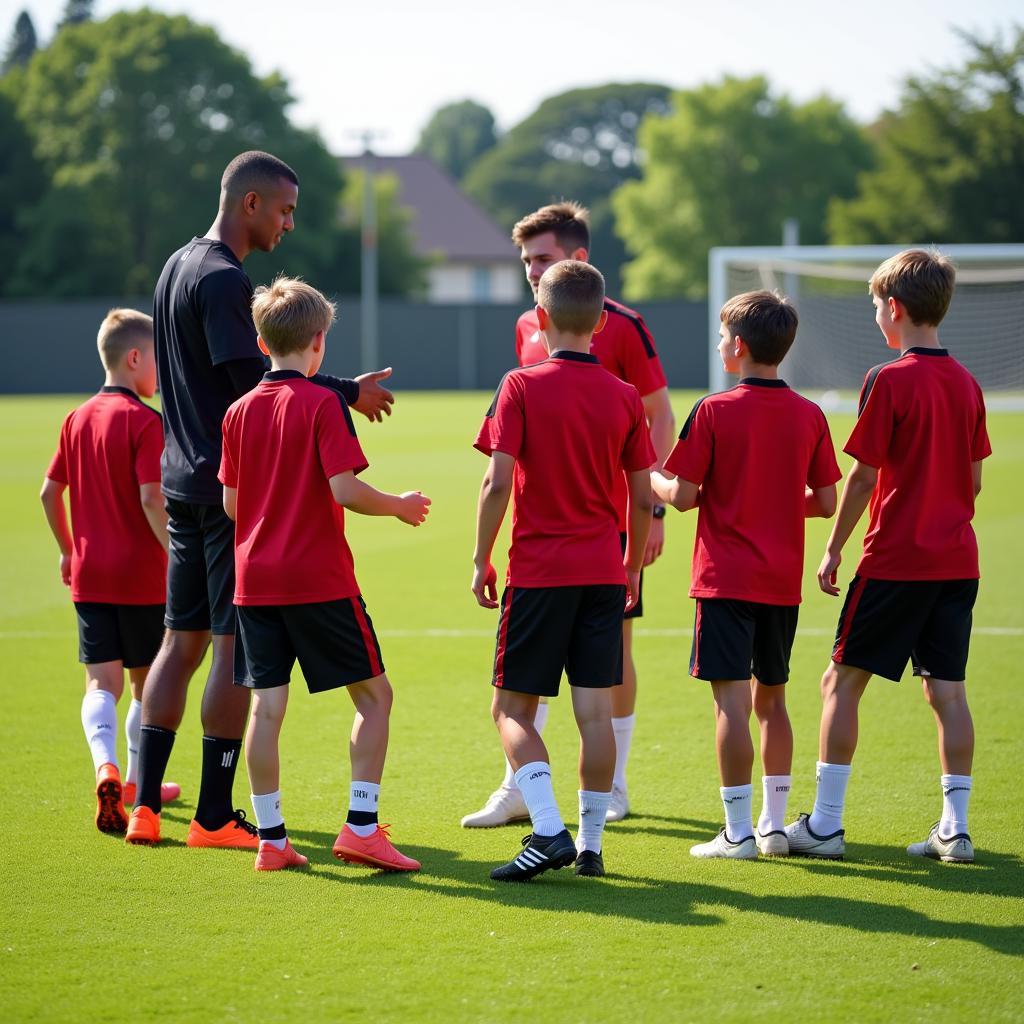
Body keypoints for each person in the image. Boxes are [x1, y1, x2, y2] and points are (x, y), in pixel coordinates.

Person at [127, 151, 395, 846]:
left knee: (175, 643)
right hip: (224, 489)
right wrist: (346, 391)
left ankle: (147, 805)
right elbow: (258, 376)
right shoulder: (221, 279)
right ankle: (215, 814)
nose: (289, 224)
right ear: (250, 204)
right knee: (224, 650)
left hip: (181, 476)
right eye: (284, 210)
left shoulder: (175, 265)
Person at [463, 201, 674, 829]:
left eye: (543, 259)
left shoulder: (625, 327)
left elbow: (658, 413)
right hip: (555, 524)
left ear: (577, 260)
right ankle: (527, 793)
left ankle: (612, 786)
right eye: (526, 260)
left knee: (603, 663)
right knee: (564, 680)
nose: (532, 270)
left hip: (603, 524)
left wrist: (651, 522)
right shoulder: (527, 326)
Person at [786, 249, 990, 864]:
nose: (876, 314)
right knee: (948, 694)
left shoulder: (888, 379)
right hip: (958, 562)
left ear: (894, 307)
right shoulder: (967, 382)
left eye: (876, 304)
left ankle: (824, 825)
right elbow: (975, 481)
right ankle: (955, 831)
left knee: (840, 683)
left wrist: (833, 546)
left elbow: (862, 477)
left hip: (896, 560)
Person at [219, 276, 430, 872]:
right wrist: (398, 504)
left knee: (267, 708)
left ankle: (272, 839)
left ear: (263, 343)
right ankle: (362, 827)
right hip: (319, 580)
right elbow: (343, 489)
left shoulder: (237, 412)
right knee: (374, 698)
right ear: (319, 343)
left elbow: (233, 506)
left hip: (254, 583)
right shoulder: (321, 403)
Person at [652, 291, 841, 858]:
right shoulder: (810, 414)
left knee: (730, 703)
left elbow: (682, 496)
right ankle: (774, 826)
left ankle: (736, 832)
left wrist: (646, 483)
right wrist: (776, 501)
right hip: (780, 582)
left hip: (724, 580)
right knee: (773, 701)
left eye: (720, 336)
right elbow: (826, 501)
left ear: (737, 347)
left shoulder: (713, 410)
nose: (717, 345)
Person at [40, 309, 180, 834]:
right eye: (158, 365)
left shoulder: (75, 418)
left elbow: (50, 492)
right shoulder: (146, 422)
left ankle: (107, 768)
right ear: (135, 358)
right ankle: (140, 781)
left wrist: (65, 550)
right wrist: (175, 552)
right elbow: (151, 497)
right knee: (146, 686)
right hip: (142, 574)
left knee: (101, 683)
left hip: (90, 572)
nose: (161, 377)